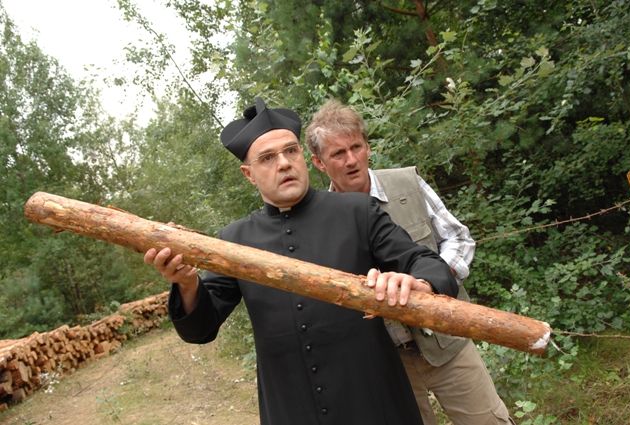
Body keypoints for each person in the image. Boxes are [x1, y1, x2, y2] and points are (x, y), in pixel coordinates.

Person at [143, 98, 460, 425]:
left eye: (291, 151)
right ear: (249, 174)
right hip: (291, 407)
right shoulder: (233, 240)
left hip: (375, 399)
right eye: (268, 158)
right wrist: (187, 283)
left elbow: (425, 262)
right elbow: (201, 329)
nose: (284, 163)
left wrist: (419, 282)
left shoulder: (357, 212)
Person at [305, 99, 514, 425]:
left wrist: (430, 284)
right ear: (319, 162)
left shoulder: (407, 184)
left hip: (447, 341)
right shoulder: (318, 221)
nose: (351, 160)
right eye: (338, 154)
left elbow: (458, 239)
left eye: (356, 147)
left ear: (367, 146)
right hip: (385, 364)